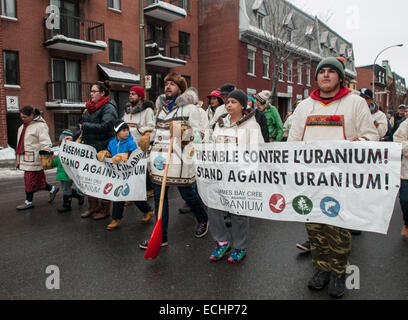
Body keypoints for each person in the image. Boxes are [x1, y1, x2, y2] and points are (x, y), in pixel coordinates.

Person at [288, 56, 379, 298]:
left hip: (341, 182)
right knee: (315, 229)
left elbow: (371, 137)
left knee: (337, 231)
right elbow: (293, 142)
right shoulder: (304, 106)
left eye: (331, 71)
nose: (326, 75)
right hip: (310, 182)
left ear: (340, 77)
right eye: (322, 71)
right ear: (316, 77)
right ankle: (321, 269)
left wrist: (349, 146)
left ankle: (339, 272)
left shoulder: (356, 103)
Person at [138, 72, 209, 249]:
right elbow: (157, 130)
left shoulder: (191, 109)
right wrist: (149, 137)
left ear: (181, 88)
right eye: (166, 83)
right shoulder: (161, 109)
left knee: (187, 194)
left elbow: (199, 135)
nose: (168, 87)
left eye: (172, 84)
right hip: (159, 158)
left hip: (180, 157)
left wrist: (184, 132)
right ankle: (161, 236)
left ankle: (203, 218)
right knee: (159, 197)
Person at [208, 90, 264, 263]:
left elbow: (257, 151)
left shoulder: (251, 126)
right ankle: (222, 242)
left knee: (238, 212)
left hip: (239, 176)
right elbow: (211, 144)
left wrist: (247, 173)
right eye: (228, 102)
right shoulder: (219, 124)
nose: (229, 105)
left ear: (242, 105)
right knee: (214, 208)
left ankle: (240, 246)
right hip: (219, 174)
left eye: (233, 102)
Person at [67, 80, 118, 220]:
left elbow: (107, 125)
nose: (91, 94)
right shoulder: (90, 108)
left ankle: (105, 209)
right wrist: (73, 137)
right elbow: (82, 127)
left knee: (102, 179)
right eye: (90, 91)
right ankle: (93, 206)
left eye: (94, 91)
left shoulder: (108, 107)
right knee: (89, 179)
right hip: (89, 148)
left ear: (102, 93)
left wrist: (86, 126)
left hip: (102, 149)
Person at [97, 120, 154, 230]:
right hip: (118, 175)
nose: (127, 132)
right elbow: (109, 152)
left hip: (130, 174)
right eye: (123, 130)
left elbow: (136, 156)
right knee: (118, 195)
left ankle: (148, 211)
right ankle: (116, 219)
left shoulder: (131, 143)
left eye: (127, 130)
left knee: (134, 196)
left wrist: (125, 156)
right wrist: (105, 154)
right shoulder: (112, 142)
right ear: (117, 132)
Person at [15, 106, 59, 210]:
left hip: (34, 158)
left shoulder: (40, 126)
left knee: (29, 180)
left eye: (25, 117)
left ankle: (28, 201)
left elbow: (45, 141)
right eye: (21, 117)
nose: (23, 119)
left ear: (32, 115)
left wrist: (46, 154)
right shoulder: (22, 127)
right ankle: (53, 189)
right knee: (39, 181)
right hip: (25, 157)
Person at [123, 86, 156, 209]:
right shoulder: (127, 110)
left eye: (133, 94)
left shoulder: (147, 110)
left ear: (140, 96)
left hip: (140, 144)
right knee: (130, 171)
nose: (130, 95)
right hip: (127, 144)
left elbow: (151, 126)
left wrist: (138, 131)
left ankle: (141, 194)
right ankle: (131, 194)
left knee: (139, 172)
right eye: (130, 93)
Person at [51, 129, 85, 213]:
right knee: (66, 188)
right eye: (61, 141)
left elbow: (74, 165)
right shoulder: (61, 152)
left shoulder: (71, 152)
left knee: (66, 189)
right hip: (62, 174)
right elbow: (57, 162)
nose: (62, 142)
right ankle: (79, 196)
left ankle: (67, 205)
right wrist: (50, 163)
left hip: (67, 175)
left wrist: (72, 174)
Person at [393, 119, 408, 239]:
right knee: (405, 199)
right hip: (407, 171)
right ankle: (407, 223)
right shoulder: (406, 124)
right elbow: (398, 140)